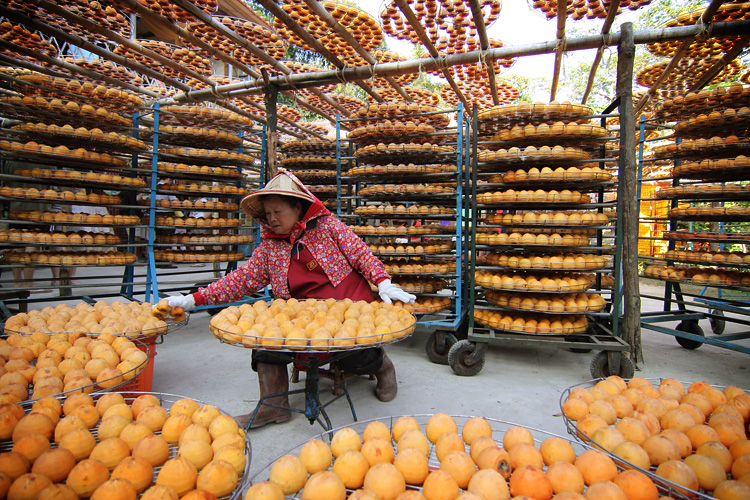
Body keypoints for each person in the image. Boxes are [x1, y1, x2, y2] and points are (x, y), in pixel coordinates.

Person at [166, 171, 416, 428]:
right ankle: (273, 406)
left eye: (278, 212)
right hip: (301, 314)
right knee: (266, 338)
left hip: (346, 305)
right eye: (268, 214)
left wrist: (383, 280)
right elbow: (241, 280)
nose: (272, 219)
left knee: (356, 350)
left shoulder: (329, 228)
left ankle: (383, 367)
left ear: (298, 207)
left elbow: (359, 253)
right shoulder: (269, 248)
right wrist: (193, 299)